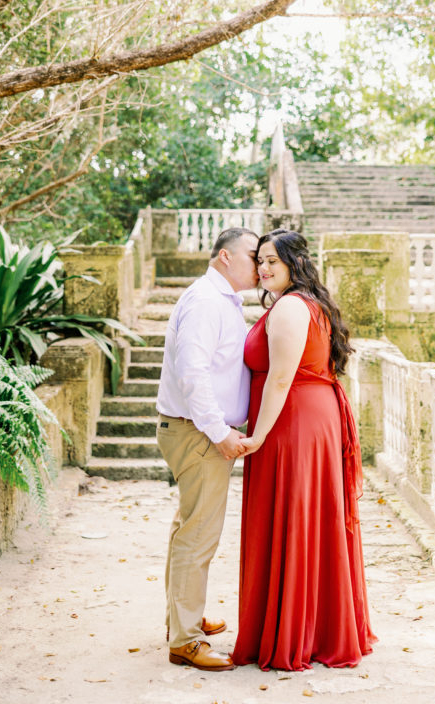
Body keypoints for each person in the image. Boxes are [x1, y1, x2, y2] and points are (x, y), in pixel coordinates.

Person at [232, 228, 376, 671]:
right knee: (305, 520)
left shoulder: (293, 307)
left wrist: (257, 437)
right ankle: (310, 626)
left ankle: (298, 633)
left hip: (293, 423)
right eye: (260, 260)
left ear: (296, 263)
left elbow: (280, 378)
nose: (264, 268)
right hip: (304, 418)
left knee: (296, 518)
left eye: (274, 260)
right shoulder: (299, 304)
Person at [156, 226, 259, 673]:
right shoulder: (205, 302)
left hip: (193, 429)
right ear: (224, 257)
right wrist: (219, 432)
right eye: (254, 256)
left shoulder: (219, 300)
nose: (261, 264)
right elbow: (192, 374)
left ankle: (182, 619)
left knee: (188, 529)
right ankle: (185, 640)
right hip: (198, 433)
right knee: (198, 535)